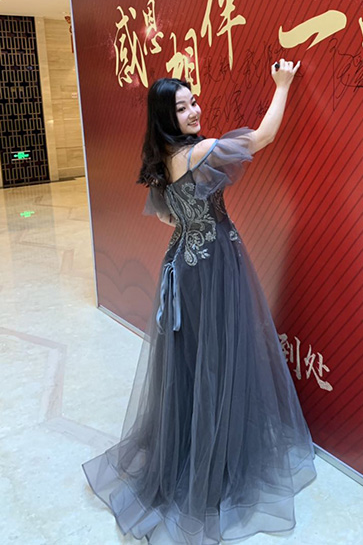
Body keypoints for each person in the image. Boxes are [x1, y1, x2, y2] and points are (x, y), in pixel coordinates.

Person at [82, 58, 317, 544]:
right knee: (221, 357)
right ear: (167, 117)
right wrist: (282, 84)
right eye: (182, 108)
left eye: (194, 102)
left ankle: (191, 448)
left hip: (182, 266)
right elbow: (263, 137)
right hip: (214, 266)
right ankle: (219, 458)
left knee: (193, 361)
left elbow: (166, 217)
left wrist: (192, 222)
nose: (194, 112)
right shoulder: (201, 152)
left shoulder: (162, 159)